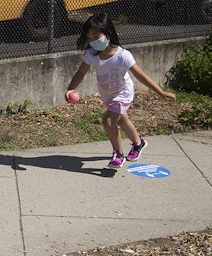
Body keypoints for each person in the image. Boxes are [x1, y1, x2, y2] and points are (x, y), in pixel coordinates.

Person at [65, 12, 176, 169]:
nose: (93, 41)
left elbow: (141, 76)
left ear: (108, 33)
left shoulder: (123, 56)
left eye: (96, 36)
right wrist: (71, 89)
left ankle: (118, 153)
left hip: (123, 93)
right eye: (89, 38)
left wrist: (161, 92)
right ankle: (139, 143)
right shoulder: (91, 55)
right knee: (122, 120)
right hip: (108, 94)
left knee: (108, 121)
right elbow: (80, 73)